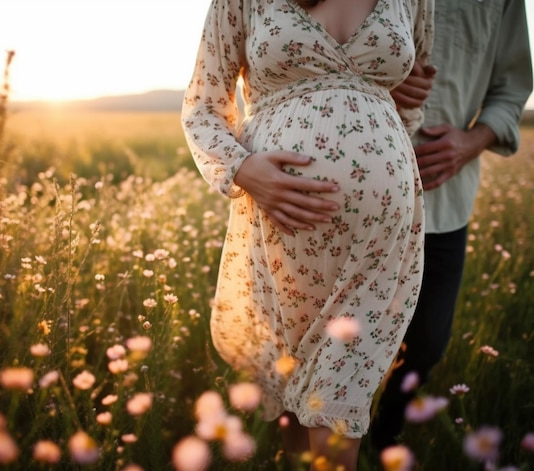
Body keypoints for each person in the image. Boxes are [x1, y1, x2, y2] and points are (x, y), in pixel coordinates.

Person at [182, 0, 433, 468]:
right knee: (293, 390)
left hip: (378, 239)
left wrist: (396, 140)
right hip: (281, 235)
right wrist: (242, 168)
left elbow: (410, 102)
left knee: (343, 392)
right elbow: (201, 107)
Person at [369, 0, 534, 450]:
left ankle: (384, 434)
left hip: (444, 203)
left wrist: (470, 142)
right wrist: (373, 68)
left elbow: (511, 90)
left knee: (425, 345)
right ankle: (322, 441)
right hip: (354, 195)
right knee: (338, 338)